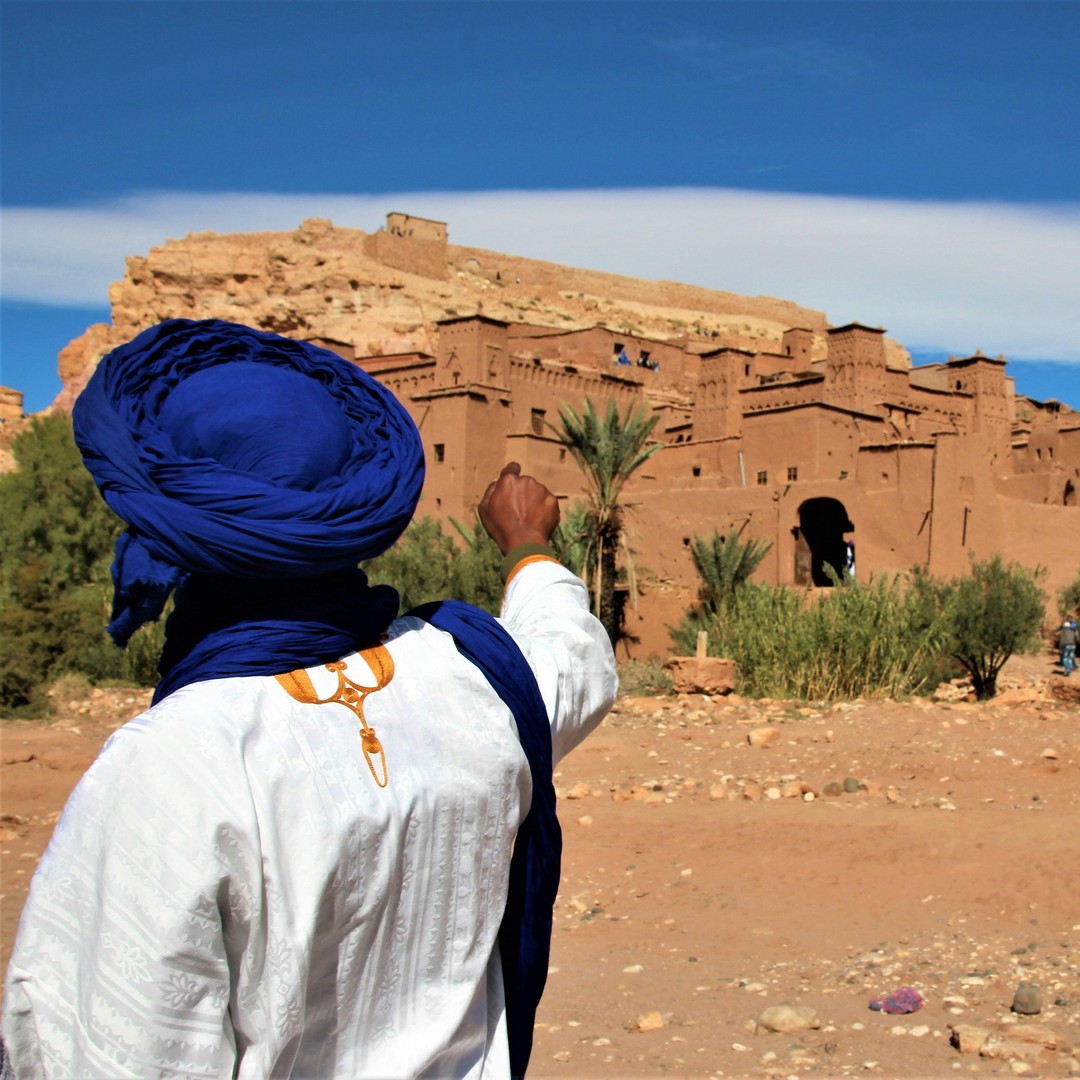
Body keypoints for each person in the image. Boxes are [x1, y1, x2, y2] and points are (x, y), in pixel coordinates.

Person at [1, 319, 617, 1078]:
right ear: (354, 504)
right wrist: (527, 543)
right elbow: (572, 657)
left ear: (168, 526)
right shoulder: (478, 683)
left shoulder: (173, 766)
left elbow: (109, 1052)